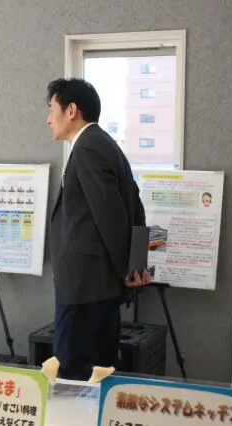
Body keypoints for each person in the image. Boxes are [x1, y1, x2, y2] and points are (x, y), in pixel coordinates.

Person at [46, 78, 152, 380]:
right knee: (97, 372)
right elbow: (134, 206)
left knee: (73, 374)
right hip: (98, 286)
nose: (48, 119)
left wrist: (128, 270)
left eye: (51, 109)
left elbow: (111, 215)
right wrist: (132, 266)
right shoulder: (105, 144)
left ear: (71, 110)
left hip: (85, 288)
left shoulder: (88, 147)